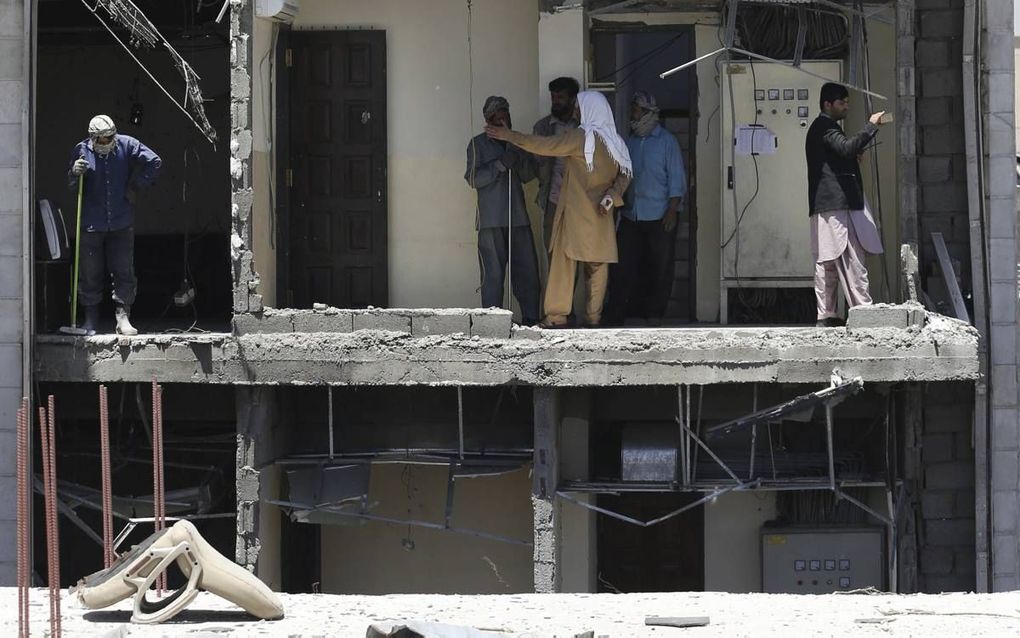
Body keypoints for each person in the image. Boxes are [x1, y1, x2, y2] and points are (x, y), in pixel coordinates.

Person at [486, 91, 631, 328]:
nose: (575, 112)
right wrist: (611, 197)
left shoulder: (582, 138)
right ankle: (594, 319)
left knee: (563, 265)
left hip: (574, 214)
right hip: (601, 216)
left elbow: (545, 145)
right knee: (597, 267)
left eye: (579, 108)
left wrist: (510, 136)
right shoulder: (616, 142)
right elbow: (625, 174)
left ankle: (556, 317)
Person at [68, 115, 162, 336]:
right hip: (91, 222)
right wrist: (74, 172)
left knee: (123, 270)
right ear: (92, 138)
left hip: (121, 220)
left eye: (109, 137)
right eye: (101, 139)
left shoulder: (127, 144)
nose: (106, 142)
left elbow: (154, 161)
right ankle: (90, 319)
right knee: (89, 273)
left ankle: (123, 317)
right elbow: (70, 185)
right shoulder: (81, 151)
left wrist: (136, 185)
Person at [805, 83, 886, 327]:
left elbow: (841, 154)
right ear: (827, 104)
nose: (846, 107)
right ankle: (862, 311)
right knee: (849, 256)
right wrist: (872, 126)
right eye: (842, 103)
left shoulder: (823, 129)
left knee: (829, 261)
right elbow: (846, 147)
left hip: (829, 204)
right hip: (837, 205)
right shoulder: (825, 128)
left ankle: (827, 314)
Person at [604, 91, 686, 327]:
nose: (633, 113)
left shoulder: (666, 141)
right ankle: (617, 313)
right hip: (631, 215)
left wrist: (672, 209)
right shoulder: (628, 141)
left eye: (637, 109)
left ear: (649, 113)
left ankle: (655, 314)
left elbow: (677, 179)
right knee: (623, 265)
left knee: (660, 267)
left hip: (660, 215)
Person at [465, 96, 541, 325]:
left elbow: (528, 175)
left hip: (517, 217)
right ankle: (492, 322)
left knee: (526, 271)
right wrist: (498, 165)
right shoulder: (477, 144)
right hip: (490, 220)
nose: (501, 120)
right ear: (487, 120)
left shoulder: (517, 142)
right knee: (493, 275)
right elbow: (473, 179)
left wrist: (517, 153)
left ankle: (530, 317)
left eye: (504, 115)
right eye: (496, 117)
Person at [532, 77, 580, 250]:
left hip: (579, 202)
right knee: (552, 250)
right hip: (553, 199)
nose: (555, 102)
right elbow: (536, 164)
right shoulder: (543, 128)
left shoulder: (585, 126)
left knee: (576, 255)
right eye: (553, 97)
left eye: (560, 98)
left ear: (573, 99)